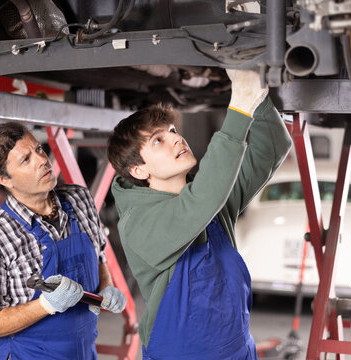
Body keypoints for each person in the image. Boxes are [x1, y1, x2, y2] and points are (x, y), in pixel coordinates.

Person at [106, 69, 292, 359]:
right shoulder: (139, 224)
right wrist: (239, 105)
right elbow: (198, 204)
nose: (176, 139)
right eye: (158, 141)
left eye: (172, 131)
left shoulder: (212, 198)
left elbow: (272, 148)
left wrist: (257, 94)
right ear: (139, 170)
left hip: (238, 349)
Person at [0, 122, 126, 360]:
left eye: (38, 149)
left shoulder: (80, 200)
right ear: (4, 179)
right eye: (26, 160)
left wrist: (106, 287)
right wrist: (45, 305)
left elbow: (99, 254)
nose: (42, 160)